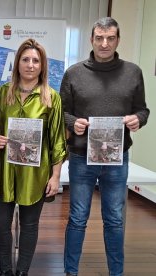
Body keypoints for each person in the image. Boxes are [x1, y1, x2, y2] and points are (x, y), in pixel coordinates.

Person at [61, 17, 150, 276]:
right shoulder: (74, 73)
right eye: (99, 37)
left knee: (114, 220)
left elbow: (142, 110)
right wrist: (72, 122)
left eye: (110, 38)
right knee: (77, 219)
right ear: (91, 39)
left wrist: (138, 120)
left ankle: (116, 273)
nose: (104, 43)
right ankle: (70, 272)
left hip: (117, 158)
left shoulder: (133, 72)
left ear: (117, 40)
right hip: (80, 158)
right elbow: (61, 112)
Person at [0, 38, 67, 276]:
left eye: (35, 60)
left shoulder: (51, 97)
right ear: (17, 63)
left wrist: (55, 176)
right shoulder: (2, 93)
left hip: (36, 174)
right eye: (25, 59)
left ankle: (22, 272)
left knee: (30, 226)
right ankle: (5, 271)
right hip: (4, 170)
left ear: (42, 65)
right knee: (0, 225)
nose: (30, 65)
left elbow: (58, 141)